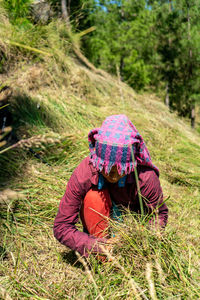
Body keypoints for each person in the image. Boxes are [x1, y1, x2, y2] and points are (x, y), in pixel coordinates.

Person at [53, 115, 168, 258]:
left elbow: (159, 215)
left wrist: (138, 238)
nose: (113, 176)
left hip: (133, 226)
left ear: (130, 165)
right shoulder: (85, 172)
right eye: (106, 168)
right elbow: (61, 227)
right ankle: (104, 258)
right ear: (98, 160)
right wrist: (98, 246)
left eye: (120, 170)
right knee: (93, 197)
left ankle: (125, 258)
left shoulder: (145, 176)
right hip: (99, 233)